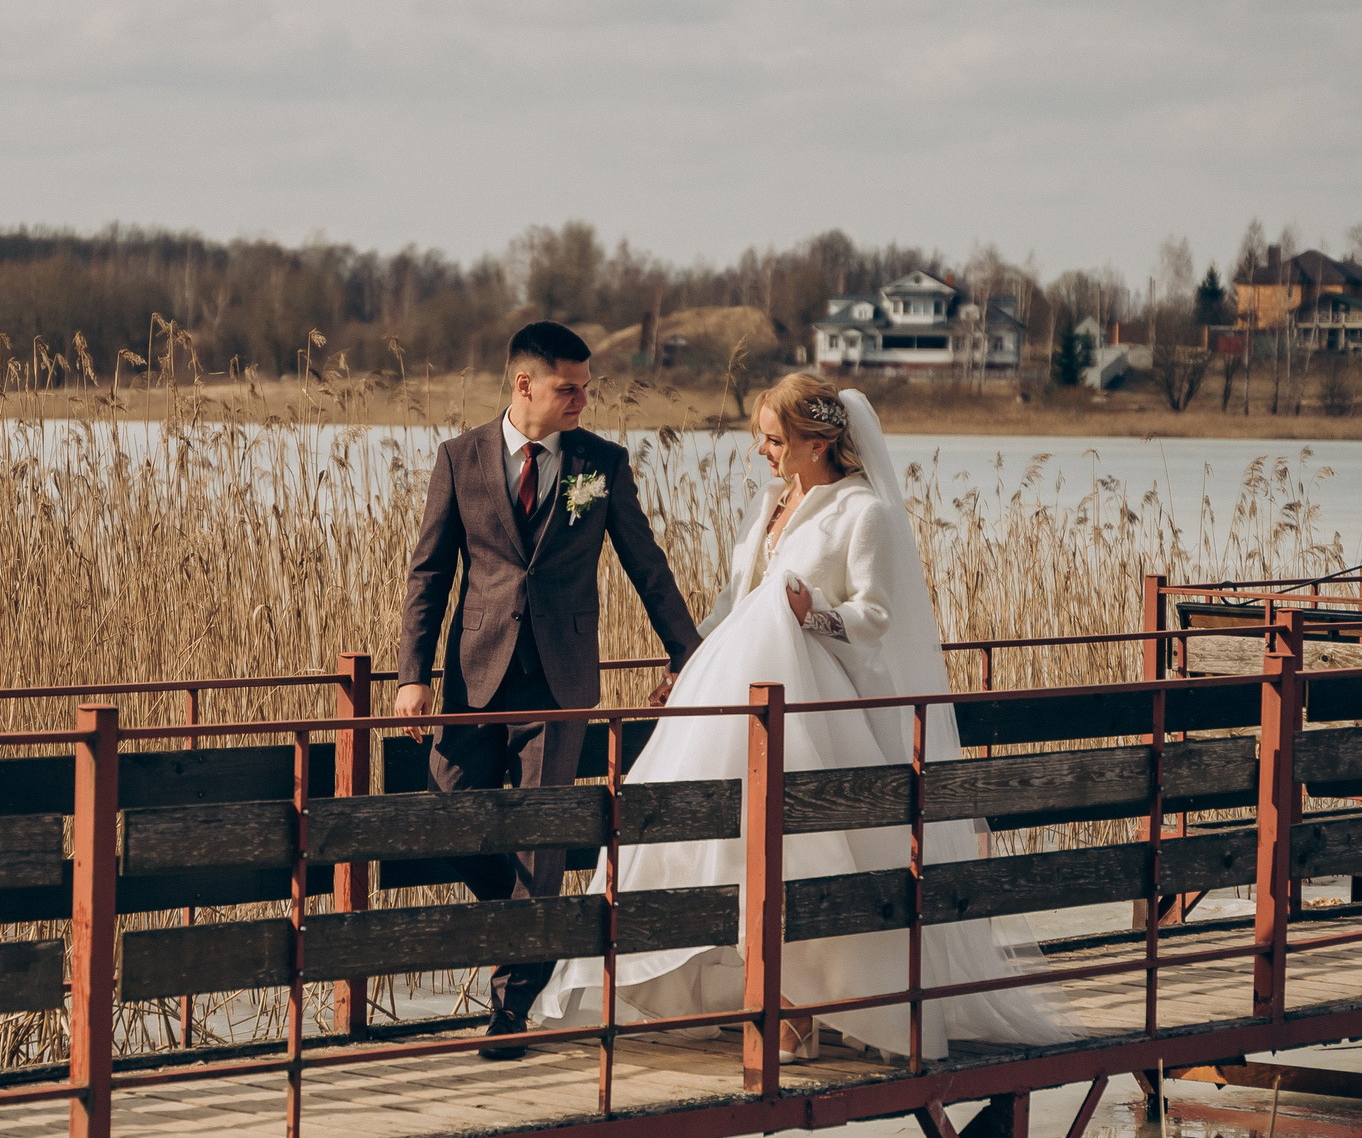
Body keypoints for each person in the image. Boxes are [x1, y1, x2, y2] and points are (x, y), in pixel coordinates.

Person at [530, 372, 1075, 1060]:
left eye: (773, 437)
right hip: (734, 702)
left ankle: (802, 1009)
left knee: (798, 851)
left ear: (818, 441)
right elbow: (735, 602)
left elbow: (876, 618)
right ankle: (744, 993)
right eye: (760, 435)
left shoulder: (863, 514)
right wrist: (685, 667)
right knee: (701, 830)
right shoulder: (771, 507)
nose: (761, 448)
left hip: (814, 708)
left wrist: (810, 613)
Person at [396, 320, 704, 1059]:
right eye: (569, 388)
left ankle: (511, 1009)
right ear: (523, 384)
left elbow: (646, 564)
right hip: (475, 677)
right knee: (446, 807)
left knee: (540, 839)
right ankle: (532, 924)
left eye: (586, 388)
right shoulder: (459, 457)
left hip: (562, 679)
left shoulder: (602, 462)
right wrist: (412, 675)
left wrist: (687, 653)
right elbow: (429, 574)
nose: (581, 401)